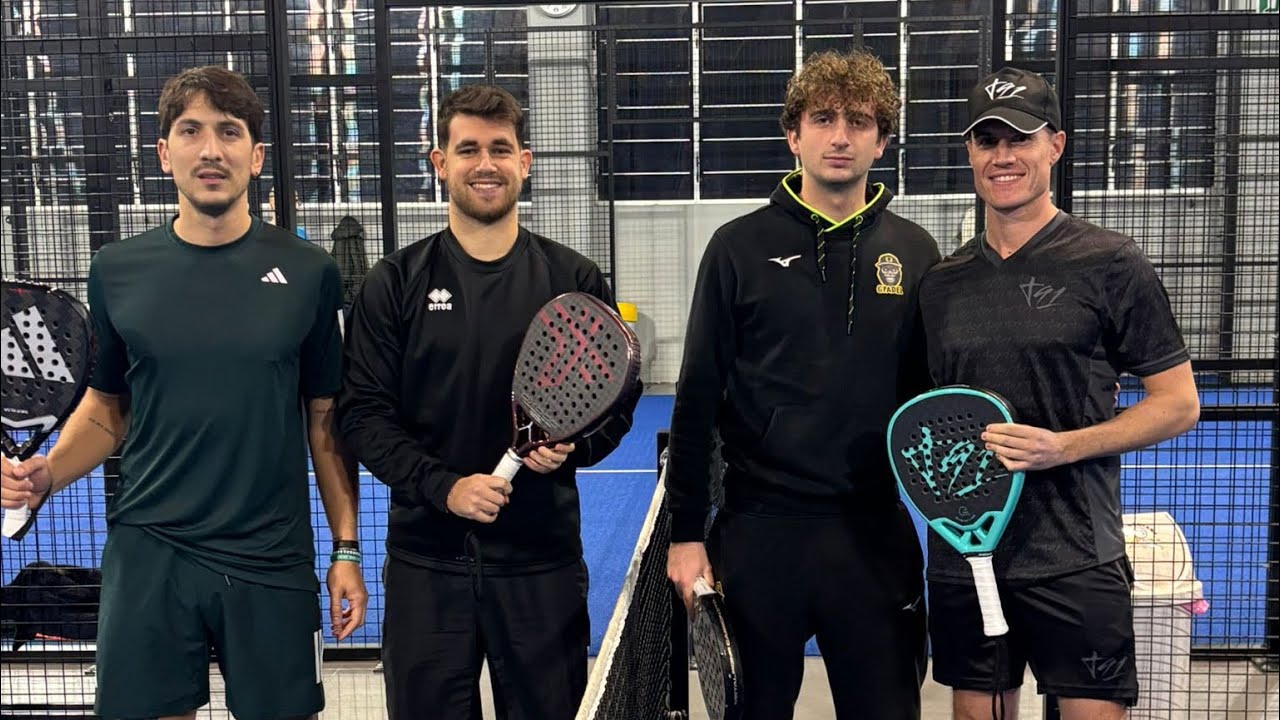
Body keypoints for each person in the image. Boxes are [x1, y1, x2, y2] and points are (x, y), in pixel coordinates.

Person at [0, 65, 368, 720]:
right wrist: (45, 473)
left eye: (229, 132)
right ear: (165, 153)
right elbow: (108, 408)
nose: (210, 149)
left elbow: (324, 422)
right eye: (191, 131)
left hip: (269, 556)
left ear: (255, 156)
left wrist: (345, 548)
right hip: (151, 552)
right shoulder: (117, 271)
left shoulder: (311, 274)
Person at [336, 84, 638, 720]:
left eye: (500, 149)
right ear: (439, 162)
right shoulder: (395, 283)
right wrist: (443, 487)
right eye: (467, 148)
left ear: (523, 162)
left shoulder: (573, 279)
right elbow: (363, 415)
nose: (485, 163)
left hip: (541, 566)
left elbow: (616, 402)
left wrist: (573, 448)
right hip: (426, 566)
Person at [665, 49, 940, 719]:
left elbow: (929, 400)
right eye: (823, 118)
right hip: (761, 536)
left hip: (873, 537)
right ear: (794, 134)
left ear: (883, 138)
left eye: (860, 121)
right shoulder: (736, 248)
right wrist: (685, 533)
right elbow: (697, 396)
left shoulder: (917, 251)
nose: (840, 136)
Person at [918, 66, 1201, 720]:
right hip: (968, 555)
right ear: (970, 153)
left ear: (1056, 145)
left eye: (1020, 138)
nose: (1003, 156)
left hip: (1075, 555)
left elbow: (1179, 402)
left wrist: (1064, 448)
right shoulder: (941, 283)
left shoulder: (1111, 263)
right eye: (986, 141)